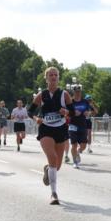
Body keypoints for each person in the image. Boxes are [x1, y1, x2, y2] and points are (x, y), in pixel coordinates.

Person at [31, 67, 71, 204]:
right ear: (46, 78)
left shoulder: (64, 94)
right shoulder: (41, 95)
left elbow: (72, 112)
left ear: (58, 77)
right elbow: (30, 111)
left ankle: (48, 169)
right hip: (46, 129)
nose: (53, 77)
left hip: (60, 129)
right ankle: (54, 193)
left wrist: (65, 111)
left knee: (57, 166)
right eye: (51, 75)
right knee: (52, 157)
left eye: (56, 75)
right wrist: (36, 118)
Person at [68, 88, 90, 167]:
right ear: (73, 92)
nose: (78, 93)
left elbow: (88, 111)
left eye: (79, 92)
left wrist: (87, 113)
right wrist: (73, 113)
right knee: (74, 144)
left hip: (82, 125)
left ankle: (78, 152)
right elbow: (66, 112)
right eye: (76, 92)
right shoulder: (70, 101)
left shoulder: (85, 101)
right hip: (72, 125)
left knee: (83, 145)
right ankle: (75, 162)